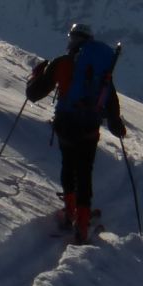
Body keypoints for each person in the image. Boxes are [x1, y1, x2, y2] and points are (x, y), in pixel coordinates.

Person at [25, 21, 126, 244]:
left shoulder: (61, 63)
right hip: (89, 127)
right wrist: (116, 123)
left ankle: (70, 210)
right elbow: (110, 96)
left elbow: (34, 94)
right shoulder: (102, 68)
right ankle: (82, 220)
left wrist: (35, 75)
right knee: (85, 171)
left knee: (68, 165)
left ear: (72, 39)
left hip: (65, 124)